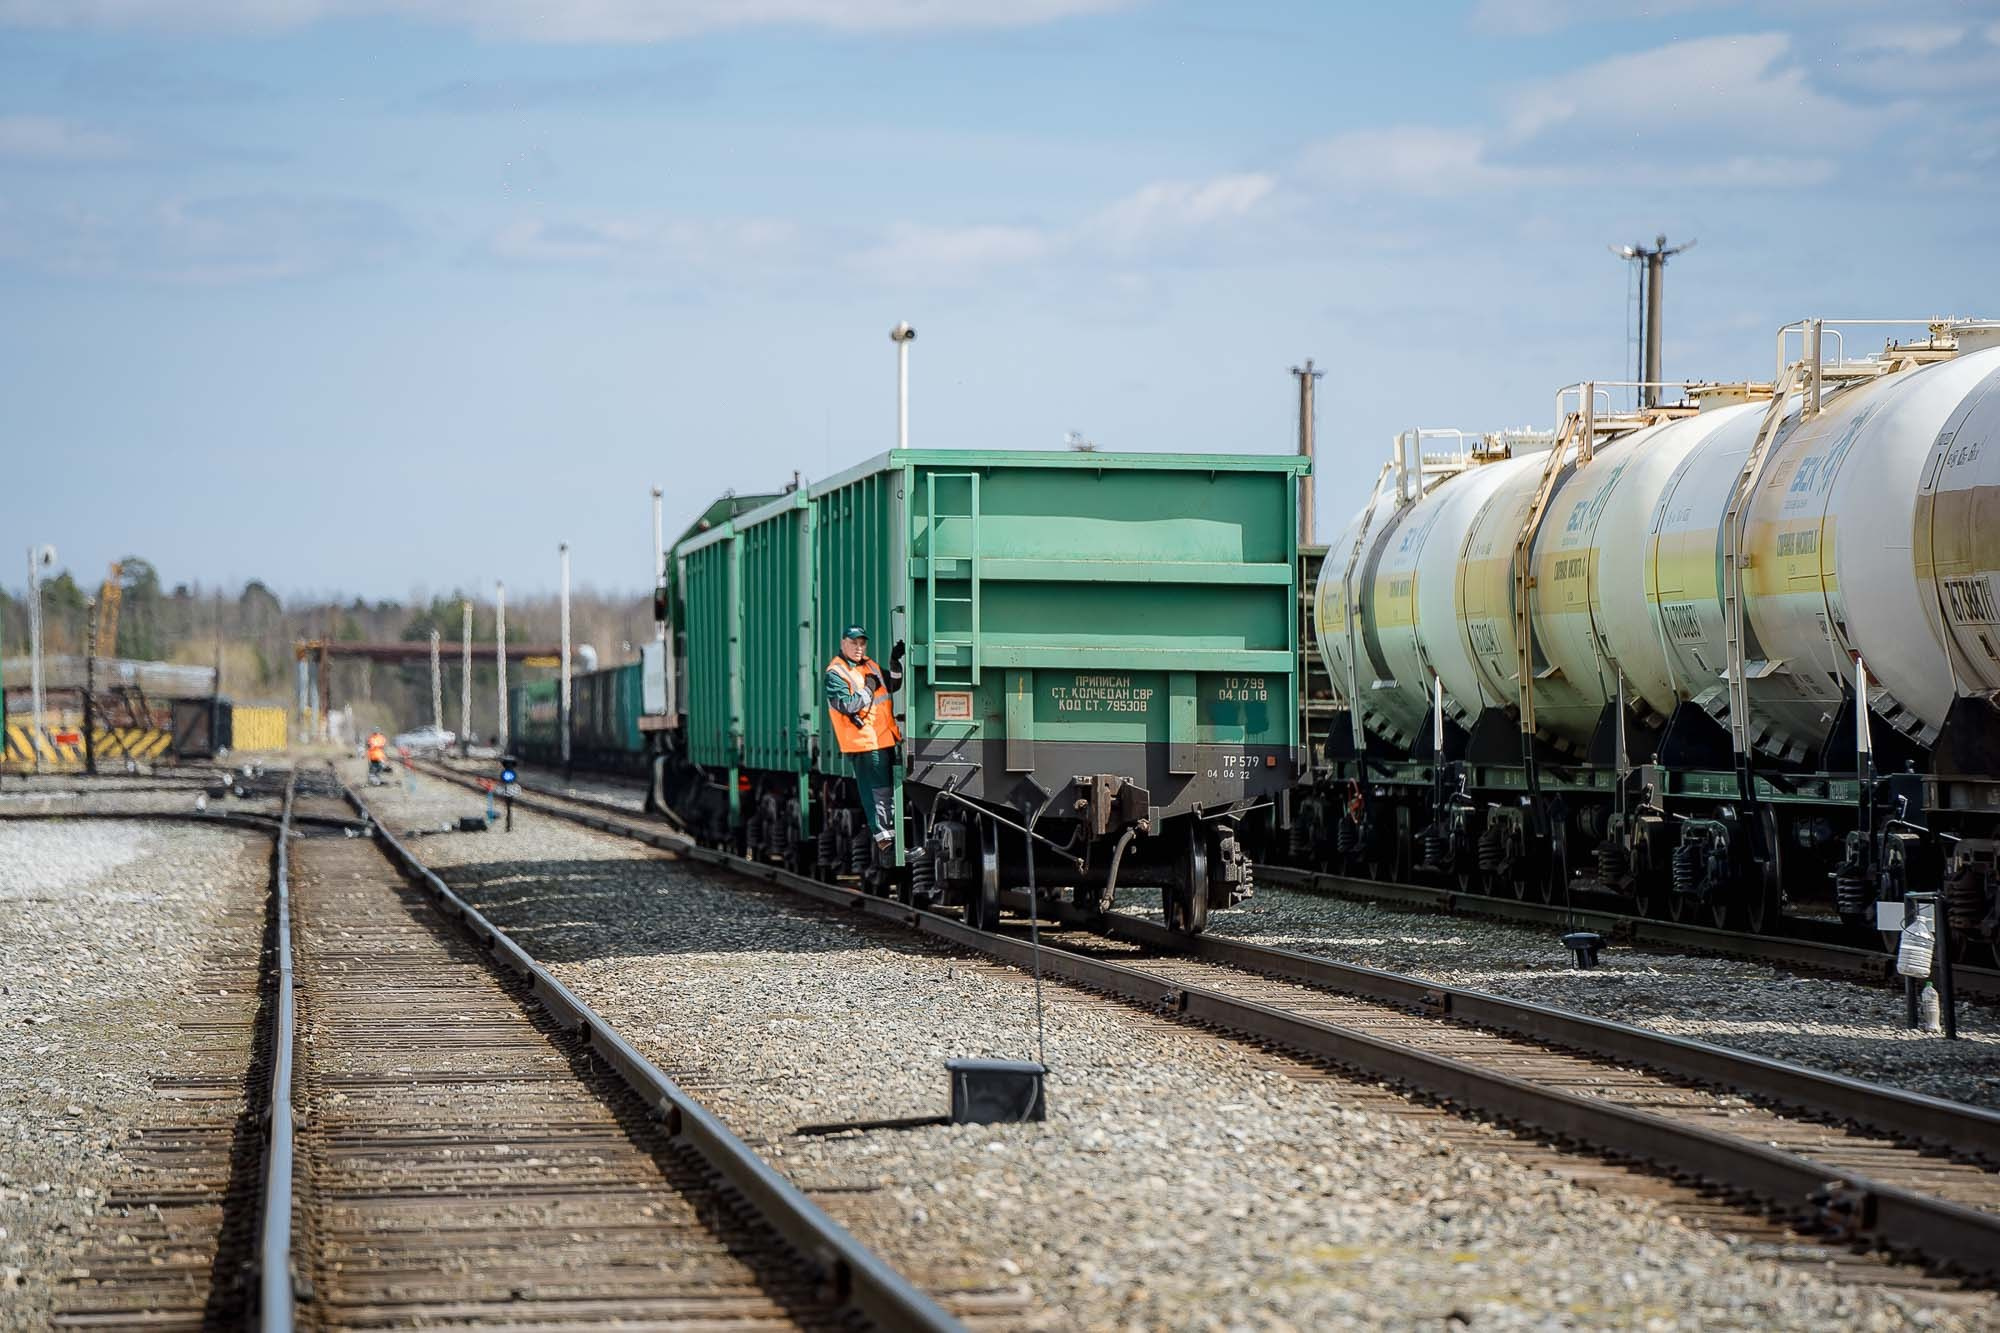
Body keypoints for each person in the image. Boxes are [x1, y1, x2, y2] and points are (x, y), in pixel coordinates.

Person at [824, 623, 904, 859]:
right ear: (843, 644)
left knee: (887, 791)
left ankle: (891, 840)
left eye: (862, 643)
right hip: (864, 743)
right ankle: (885, 844)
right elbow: (847, 705)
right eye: (853, 643)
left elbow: (893, 684)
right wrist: (869, 689)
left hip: (884, 739)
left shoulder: (870, 665)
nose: (858, 648)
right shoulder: (836, 672)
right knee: (878, 792)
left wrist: (894, 664)